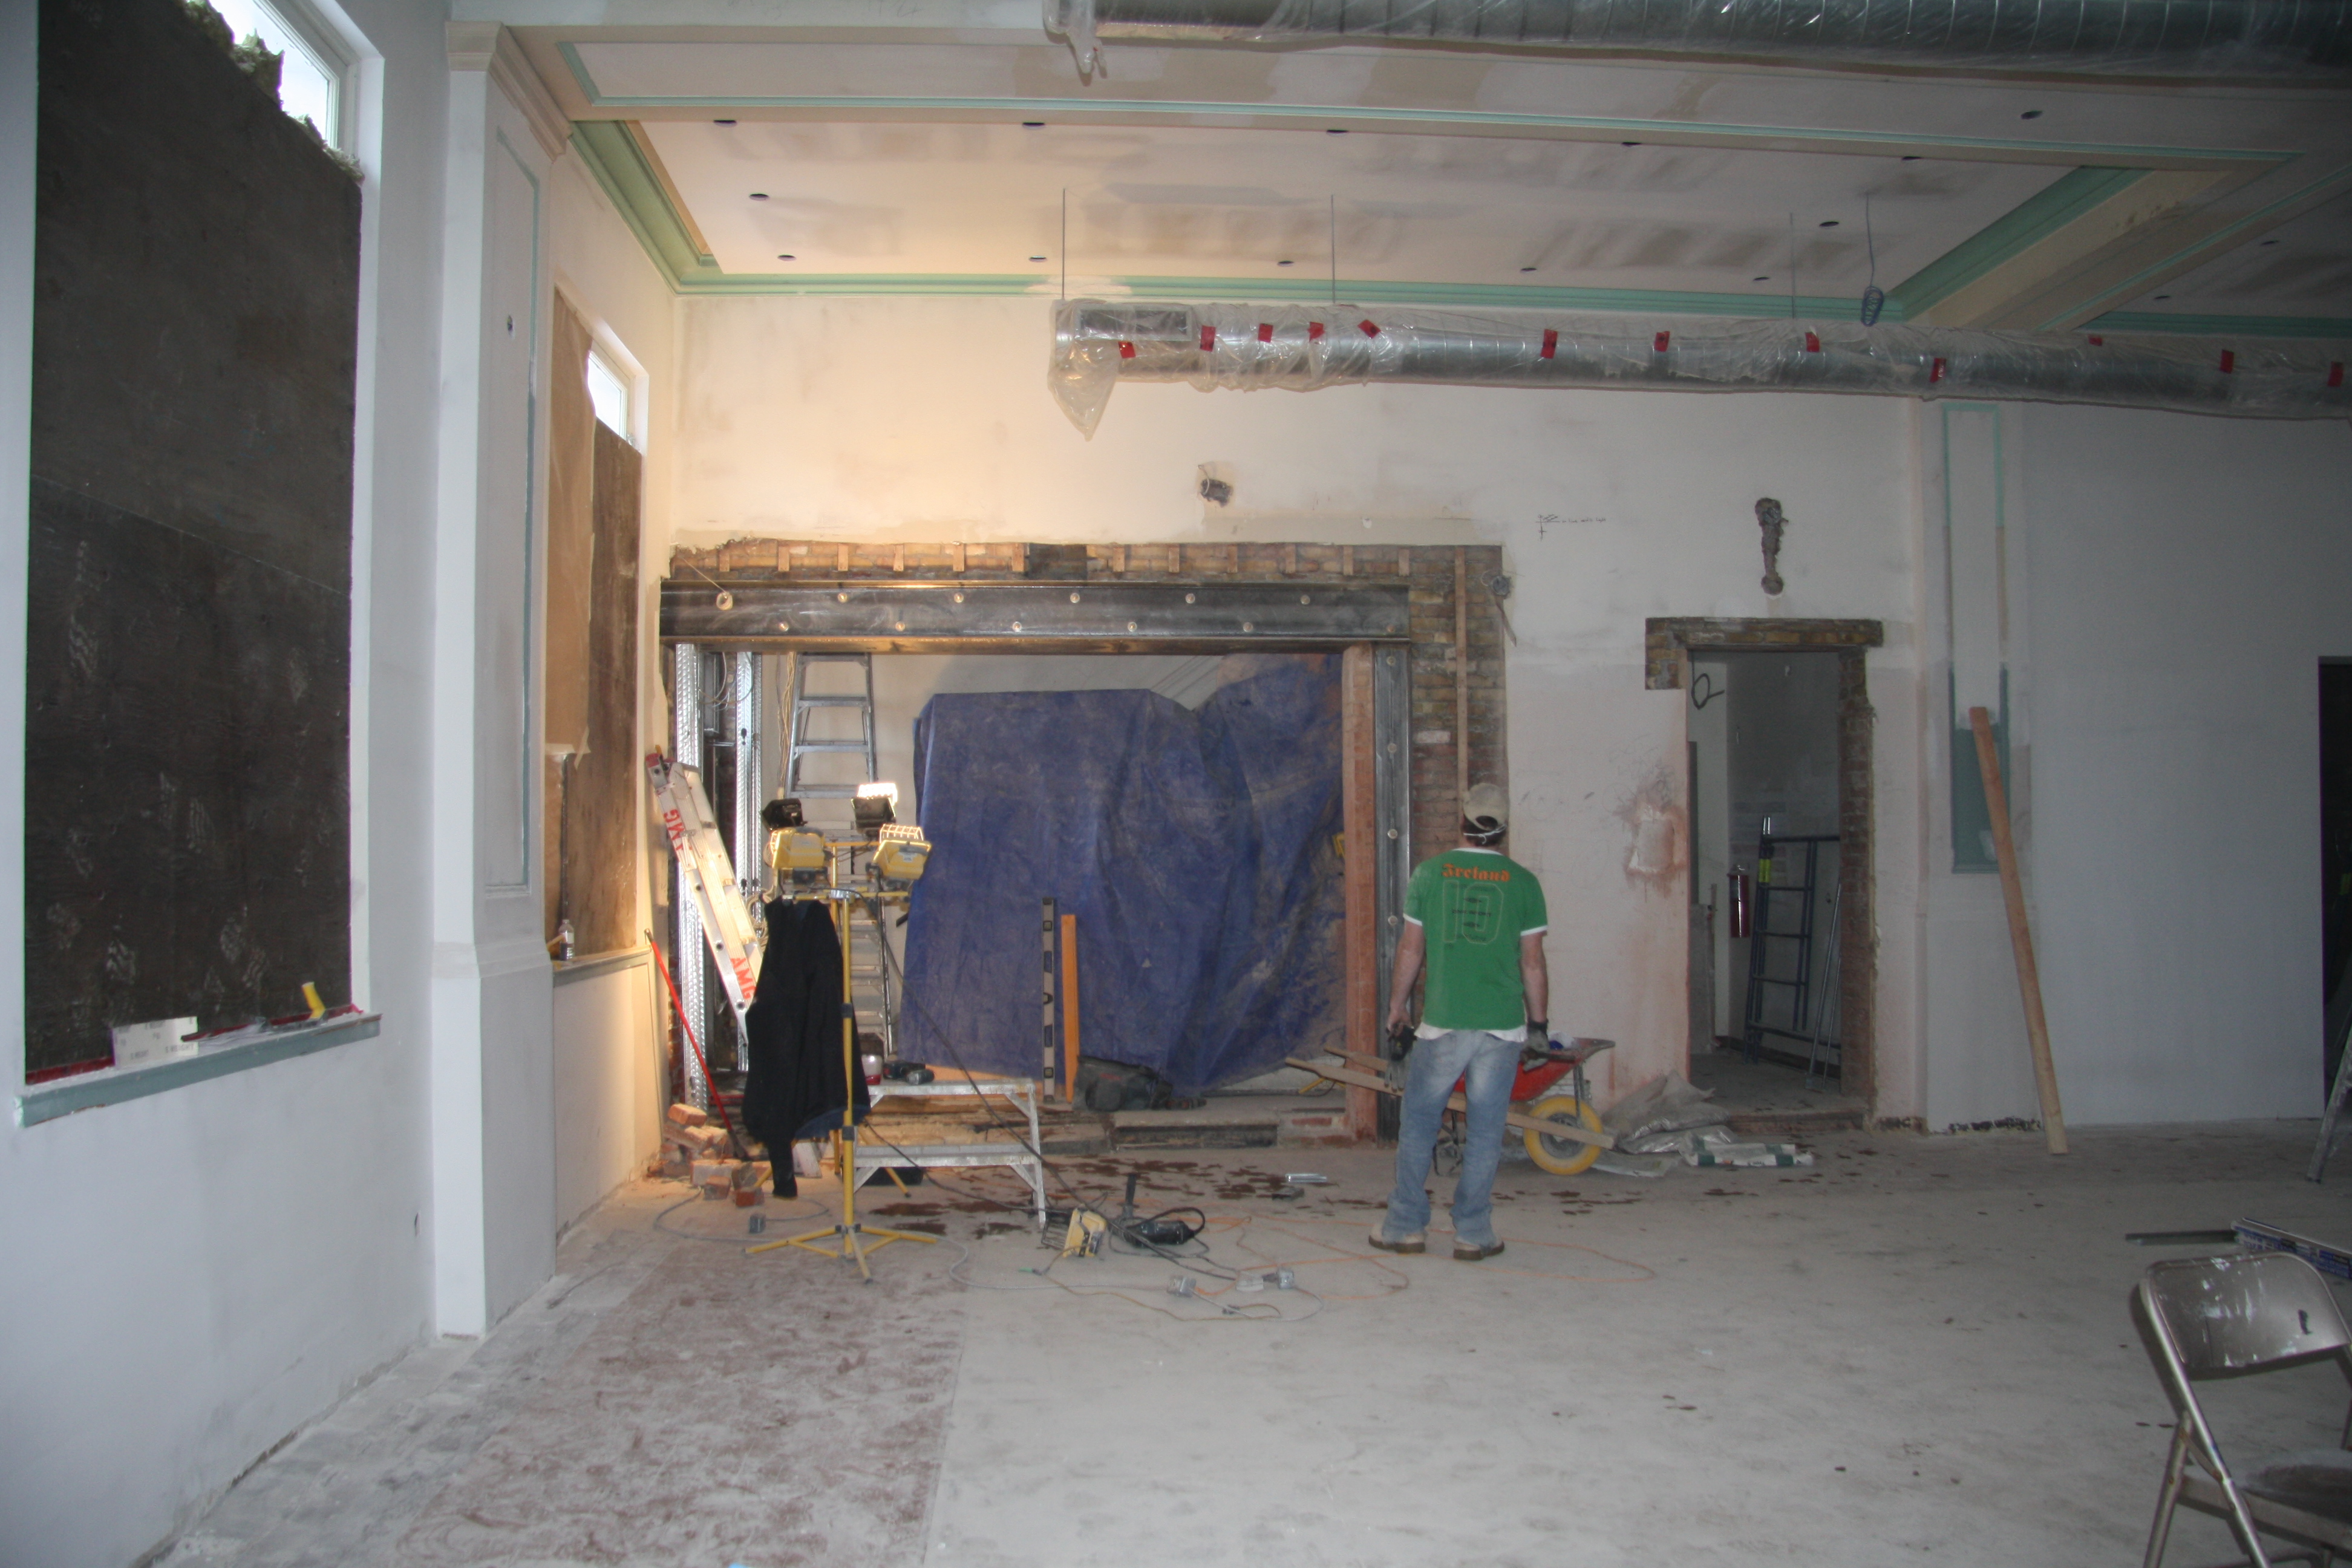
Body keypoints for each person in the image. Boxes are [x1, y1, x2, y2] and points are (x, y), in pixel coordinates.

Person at [1371, 782, 1550, 1263]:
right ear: (1504, 827)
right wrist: (1538, 1025)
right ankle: (1473, 1233)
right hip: (1501, 1027)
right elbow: (1533, 963)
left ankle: (1405, 1227)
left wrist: (1397, 1007)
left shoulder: (1430, 874)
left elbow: (1411, 949)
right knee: (1487, 1131)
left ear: (1463, 821)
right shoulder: (1524, 883)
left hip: (1445, 1023)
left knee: (1419, 1124)